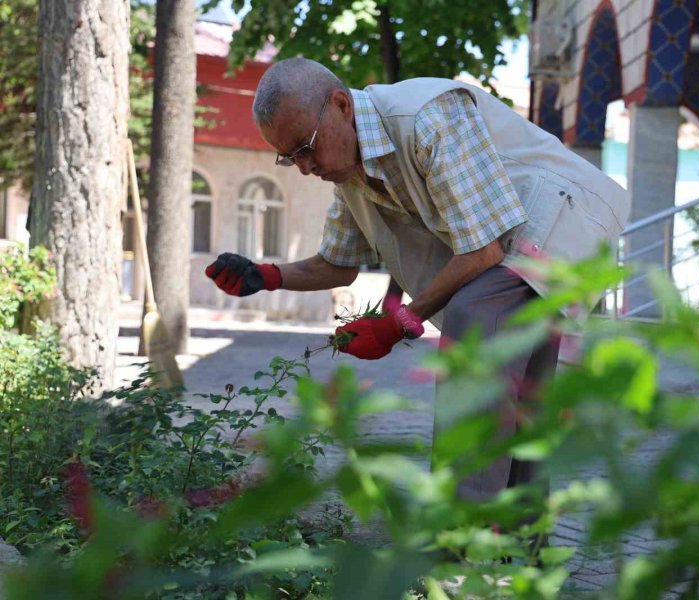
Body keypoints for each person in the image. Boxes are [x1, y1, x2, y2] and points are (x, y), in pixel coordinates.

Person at [205, 57, 630, 500]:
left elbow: (484, 248)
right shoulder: (349, 171)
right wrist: (266, 275)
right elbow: (338, 263)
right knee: (522, 399)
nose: (305, 167)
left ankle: (461, 542)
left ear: (341, 106)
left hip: (564, 214)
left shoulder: (428, 117)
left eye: (306, 148)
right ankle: (521, 546)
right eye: (289, 158)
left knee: (476, 324)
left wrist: (399, 323)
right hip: (518, 239)